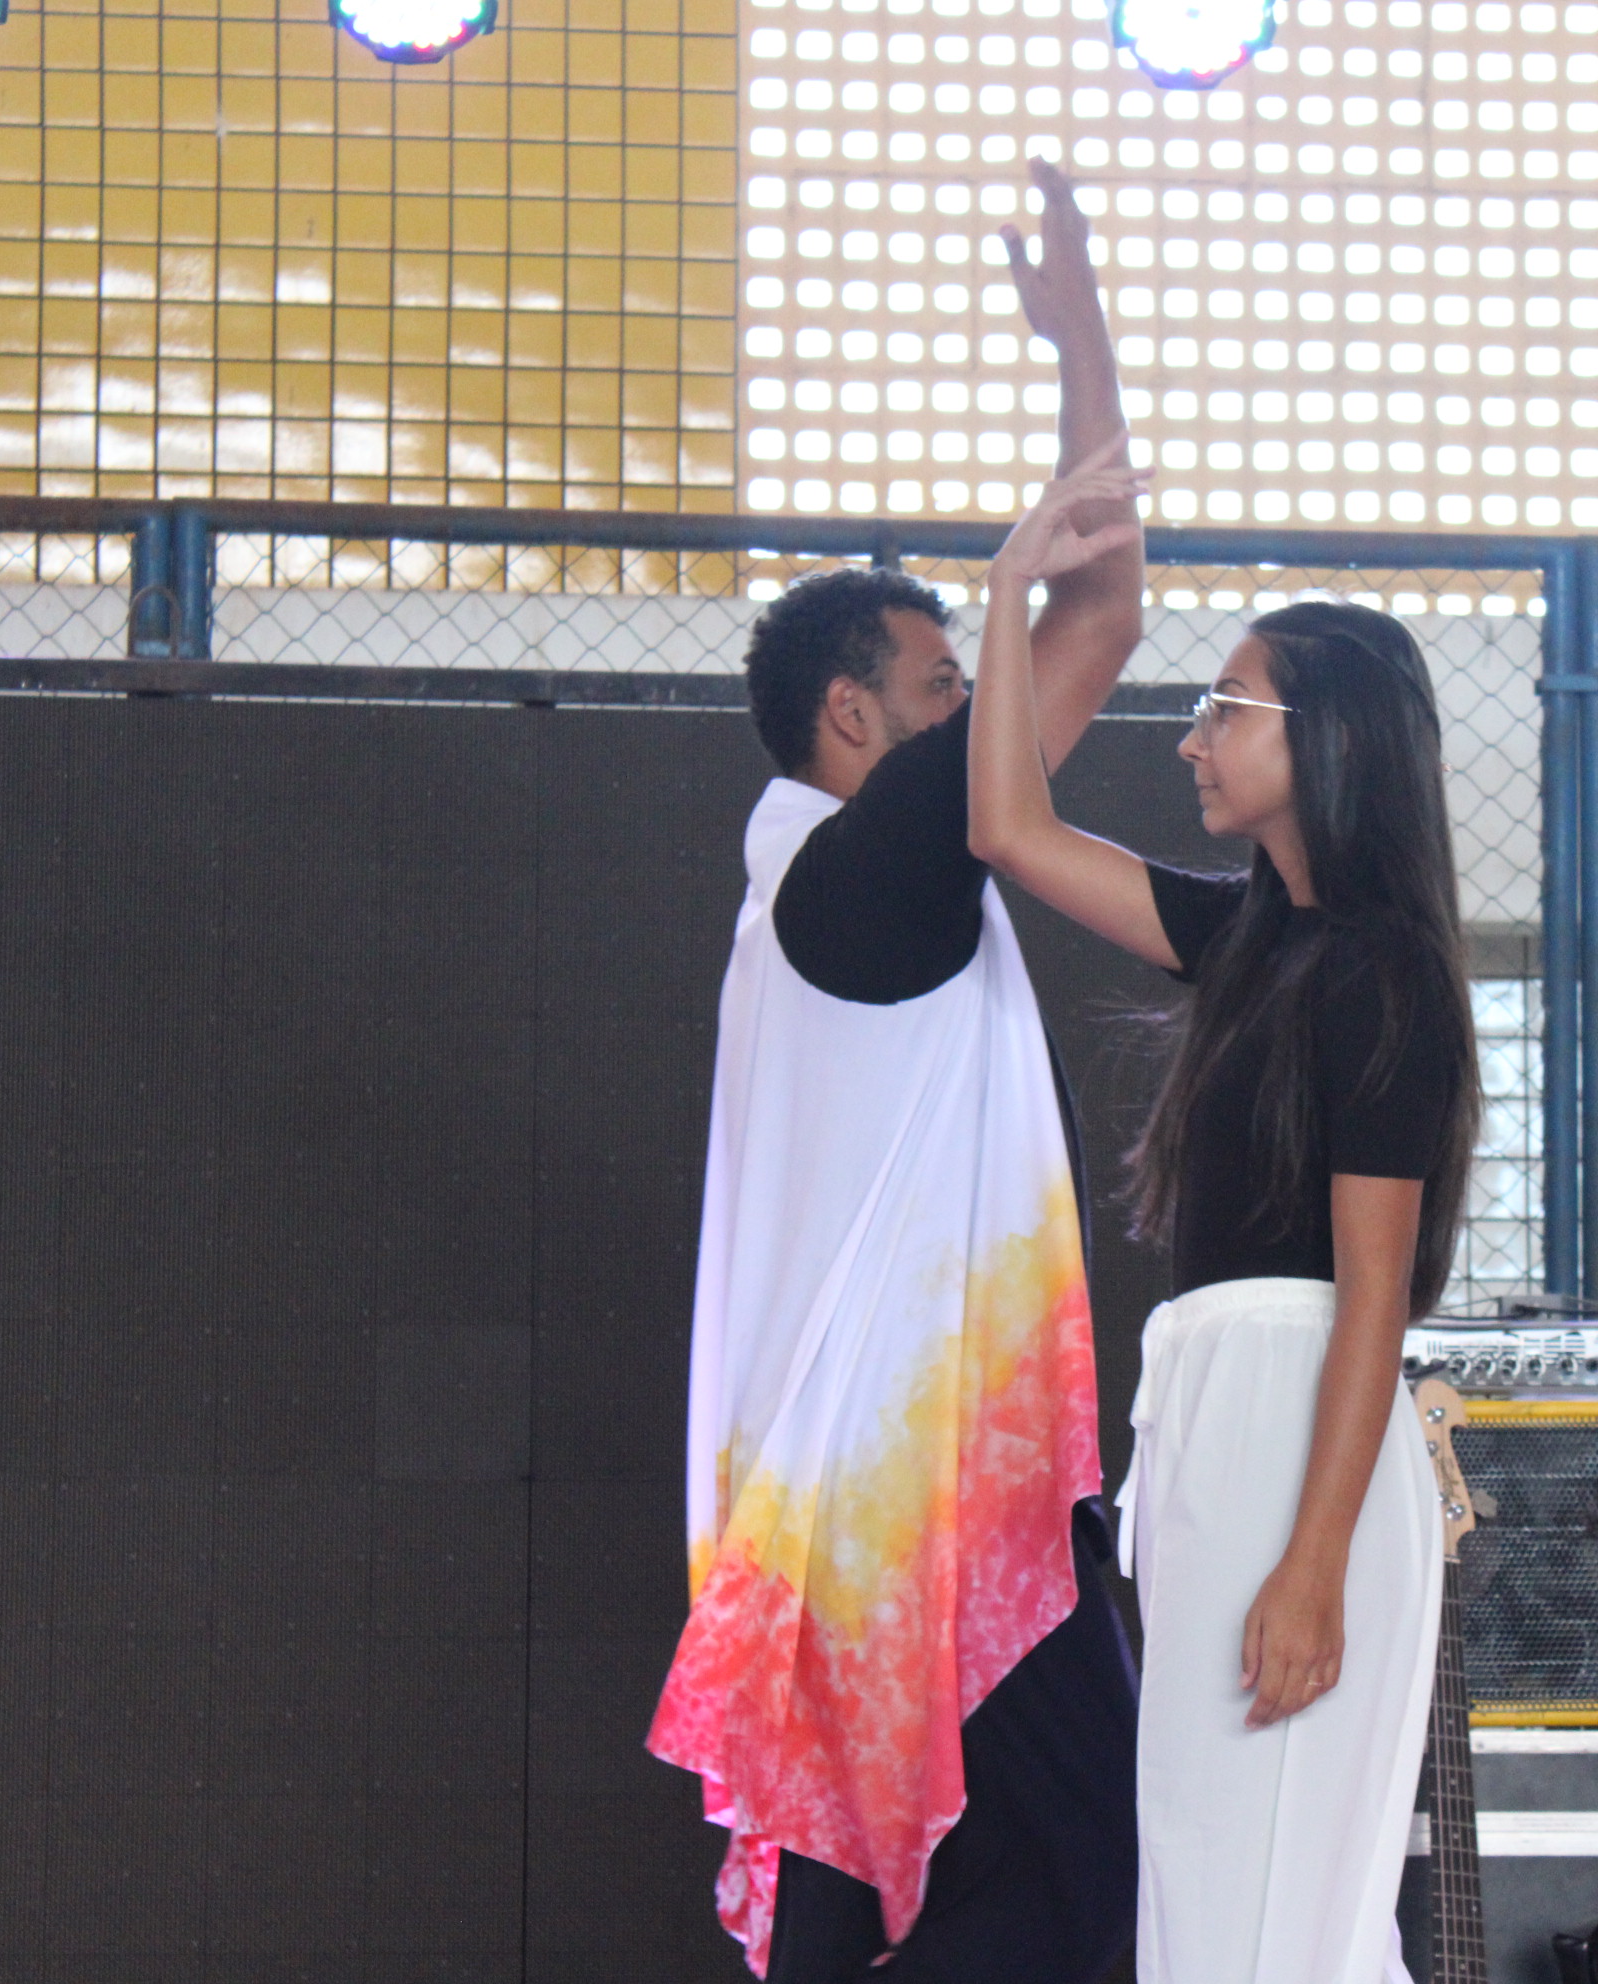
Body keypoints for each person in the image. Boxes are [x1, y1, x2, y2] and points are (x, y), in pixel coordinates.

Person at [648, 161, 1143, 1983]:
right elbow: (1101, 618)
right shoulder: (863, 878)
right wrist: (1083, 355)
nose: (972, 716)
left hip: (861, 1511)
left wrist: (1081, 352)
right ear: (853, 718)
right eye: (945, 691)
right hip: (919, 1505)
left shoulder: (811, 896)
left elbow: (1092, 621)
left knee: (929, 1895)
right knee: (1078, 1890)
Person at [967, 443, 1482, 1984]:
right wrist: (1009, 590)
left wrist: (1313, 1564)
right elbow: (1008, 830)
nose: (1192, 740)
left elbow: (1374, 1293)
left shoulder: (1385, 972)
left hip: (1302, 1437)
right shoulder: (1253, 940)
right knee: (1209, 1896)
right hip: (1215, 1424)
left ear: (1326, 739)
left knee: (1279, 1920)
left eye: (1224, 708)